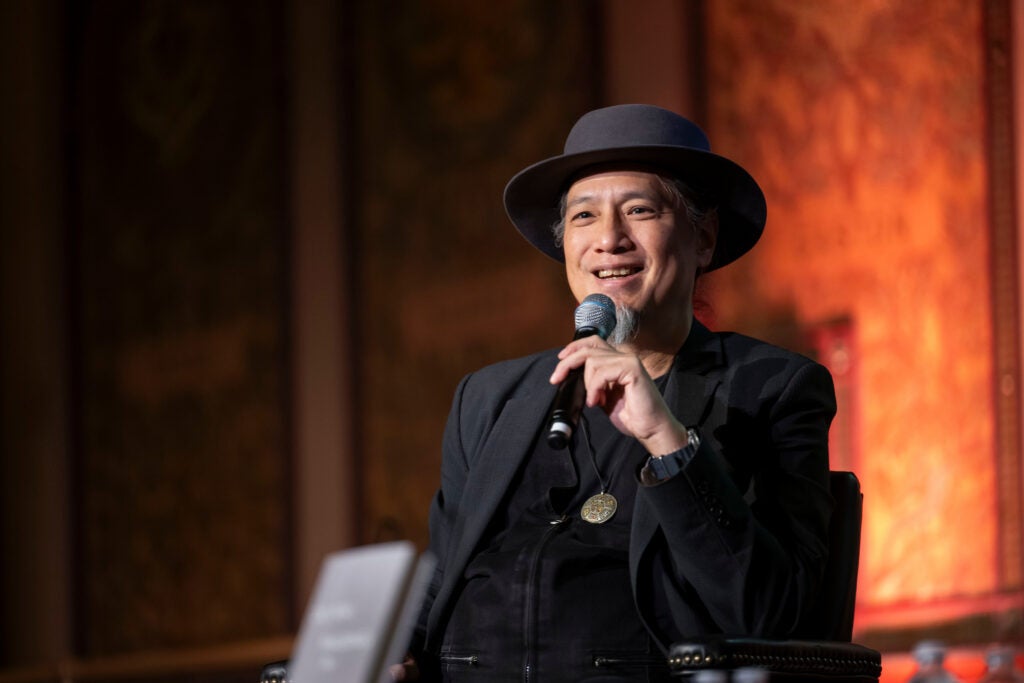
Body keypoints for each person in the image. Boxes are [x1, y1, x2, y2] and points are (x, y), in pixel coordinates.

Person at [400, 104, 837, 682]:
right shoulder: (488, 398)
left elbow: (770, 615)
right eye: (584, 216)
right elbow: (438, 582)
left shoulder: (770, 387)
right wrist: (394, 654)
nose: (608, 239)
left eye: (639, 210)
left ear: (703, 239)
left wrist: (667, 441)